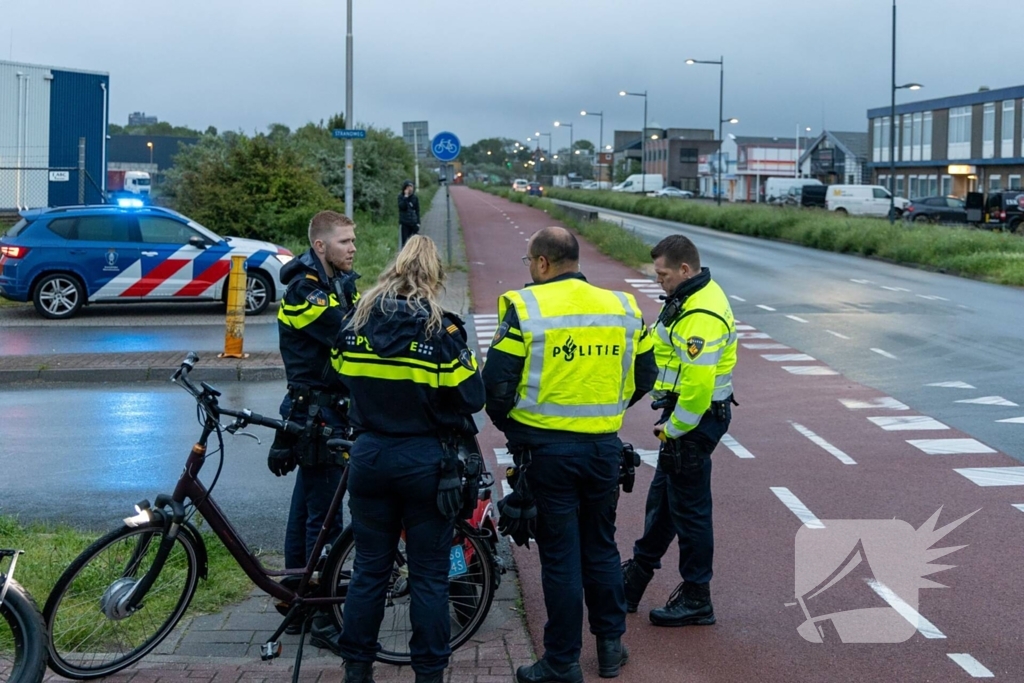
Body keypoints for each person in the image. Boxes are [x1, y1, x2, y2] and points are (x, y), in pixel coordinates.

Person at [483, 226, 658, 683]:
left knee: (560, 557)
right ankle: (609, 649)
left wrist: (515, 430)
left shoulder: (526, 307)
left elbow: (496, 386)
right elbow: (646, 373)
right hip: (603, 448)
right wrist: (610, 410)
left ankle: (561, 662)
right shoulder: (621, 307)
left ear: (541, 263)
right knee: (600, 547)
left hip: (547, 451)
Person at [334, 235, 485, 683]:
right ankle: (429, 674)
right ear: (434, 277)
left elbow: (340, 377)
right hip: (426, 464)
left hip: (369, 456)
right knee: (429, 577)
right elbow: (471, 398)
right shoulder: (442, 331)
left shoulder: (356, 323)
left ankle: (356, 670)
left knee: (368, 572)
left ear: (393, 269)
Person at [620, 234, 737, 628]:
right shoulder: (687, 297)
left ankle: (697, 597)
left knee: (690, 512)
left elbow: (699, 388)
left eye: (662, 275)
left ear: (684, 270)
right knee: (665, 504)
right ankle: (635, 579)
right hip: (686, 419)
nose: (659, 281)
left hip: (694, 421)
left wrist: (672, 429)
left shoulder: (700, 313)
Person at [270, 209, 359, 648]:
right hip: (318, 415)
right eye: (345, 241)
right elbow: (349, 334)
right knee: (324, 517)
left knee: (307, 508)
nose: (353, 248)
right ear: (320, 246)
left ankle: (295, 598)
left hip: (320, 410)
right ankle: (324, 615)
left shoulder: (336, 282)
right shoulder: (305, 291)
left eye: (353, 240)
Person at [398, 179, 421, 247]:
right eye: (408, 187)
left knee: (415, 243)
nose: (410, 189)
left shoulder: (415, 198)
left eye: (411, 187)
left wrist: (418, 223)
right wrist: (406, 197)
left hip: (413, 223)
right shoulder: (401, 197)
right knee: (405, 243)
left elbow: (417, 210)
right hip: (405, 223)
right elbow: (402, 207)